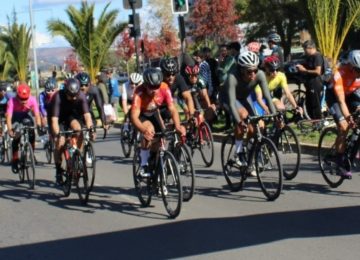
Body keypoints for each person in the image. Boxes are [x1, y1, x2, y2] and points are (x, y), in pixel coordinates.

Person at [130, 68, 185, 177]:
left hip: (155, 113)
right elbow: (134, 117)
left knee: (161, 137)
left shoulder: (164, 87)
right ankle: (144, 163)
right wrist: (143, 130)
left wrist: (178, 126)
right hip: (142, 115)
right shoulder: (139, 92)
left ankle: (154, 160)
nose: (155, 90)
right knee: (149, 130)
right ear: (145, 85)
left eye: (157, 86)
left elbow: (173, 109)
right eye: (151, 87)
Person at [225, 51, 276, 167]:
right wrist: (239, 122)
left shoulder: (260, 75)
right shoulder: (232, 77)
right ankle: (237, 153)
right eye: (249, 71)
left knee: (259, 124)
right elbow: (232, 104)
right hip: (229, 100)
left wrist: (275, 115)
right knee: (242, 116)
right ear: (242, 70)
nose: (253, 74)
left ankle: (247, 147)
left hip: (244, 98)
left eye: (255, 70)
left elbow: (267, 96)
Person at [51, 78, 96, 184]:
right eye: (71, 96)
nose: (74, 97)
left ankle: (77, 156)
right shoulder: (58, 96)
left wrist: (91, 128)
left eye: (76, 94)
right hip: (58, 117)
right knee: (60, 142)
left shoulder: (80, 95)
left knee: (79, 129)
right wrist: (58, 134)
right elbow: (54, 120)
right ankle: (58, 169)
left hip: (70, 116)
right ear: (66, 92)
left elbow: (87, 115)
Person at [325, 50, 360, 178]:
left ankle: (353, 147)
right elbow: (341, 101)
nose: (359, 74)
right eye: (358, 70)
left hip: (351, 94)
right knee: (344, 126)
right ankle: (339, 162)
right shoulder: (339, 74)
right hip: (334, 97)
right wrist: (349, 118)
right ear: (351, 66)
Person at [6, 83, 42, 173]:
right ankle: (15, 159)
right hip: (16, 117)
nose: (24, 101)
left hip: (26, 116)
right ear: (17, 96)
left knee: (32, 133)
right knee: (16, 136)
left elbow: (37, 115)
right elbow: (9, 117)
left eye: (25, 99)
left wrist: (38, 126)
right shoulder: (12, 101)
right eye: (21, 99)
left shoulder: (32, 100)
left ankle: (31, 153)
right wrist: (10, 130)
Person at [296, 40, 324, 119]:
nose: (304, 51)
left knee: (315, 104)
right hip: (309, 83)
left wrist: (304, 70)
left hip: (315, 83)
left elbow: (318, 71)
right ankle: (313, 120)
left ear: (310, 48)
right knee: (309, 104)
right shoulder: (309, 57)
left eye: (305, 49)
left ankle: (318, 121)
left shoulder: (317, 56)